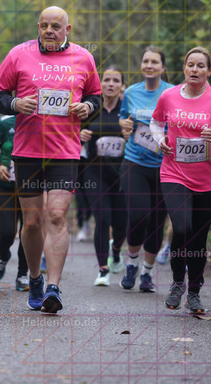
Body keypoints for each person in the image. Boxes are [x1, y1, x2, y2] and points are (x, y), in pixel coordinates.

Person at [0, 6, 101, 313]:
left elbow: (95, 97)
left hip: (65, 152)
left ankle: (54, 287)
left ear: (67, 30)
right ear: (38, 27)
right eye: (44, 25)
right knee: (33, 221)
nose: (49, 30)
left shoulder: (83, 58)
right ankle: (35, 278)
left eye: (56, 26)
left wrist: (88, 108)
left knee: (57, 217)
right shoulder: (18, 54)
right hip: (27, 152)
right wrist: (15, 103)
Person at [150, 46, 211, 313]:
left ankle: (195, 292)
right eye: (191, 65)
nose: (195, 69)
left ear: (209, 71)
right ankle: (178, 282)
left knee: (199, 238)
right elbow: (155, 124)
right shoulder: (168, 96)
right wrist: (160, 140)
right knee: (182, 227)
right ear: (184, 68)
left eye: (201, 66)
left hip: (209, 180)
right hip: (174, 173)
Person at [118, 46, 175, 292]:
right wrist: (124, 125)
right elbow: (124, 118)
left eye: (154, 62)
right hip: (135, 163)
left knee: (157, 222)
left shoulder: (173, 93)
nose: (149, 65)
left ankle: (147, 273)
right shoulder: (131, 92)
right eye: (146, 61)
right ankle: (131, 263)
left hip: (165, 167)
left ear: (163, 67)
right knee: (139, 214)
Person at [80, 66, 127, 286]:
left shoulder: (127, 109)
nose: (110, 84)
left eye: (115, 81)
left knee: (121, 223)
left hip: (122, 172)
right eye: (106, 80)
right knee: (103, 217)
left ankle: (116, 250)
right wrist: (79, 133)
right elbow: (70, 130)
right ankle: (103, 269)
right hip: (94, 171)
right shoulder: (91, 107)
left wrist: (130, 134)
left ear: (121, 85)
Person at [0, 115, 30, 291]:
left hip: (32, 188)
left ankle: (22, 274)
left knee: (28, 232)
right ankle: (3, 256)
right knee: (7, 232)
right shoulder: (6, 123)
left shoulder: (43, 123)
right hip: (6, 187)